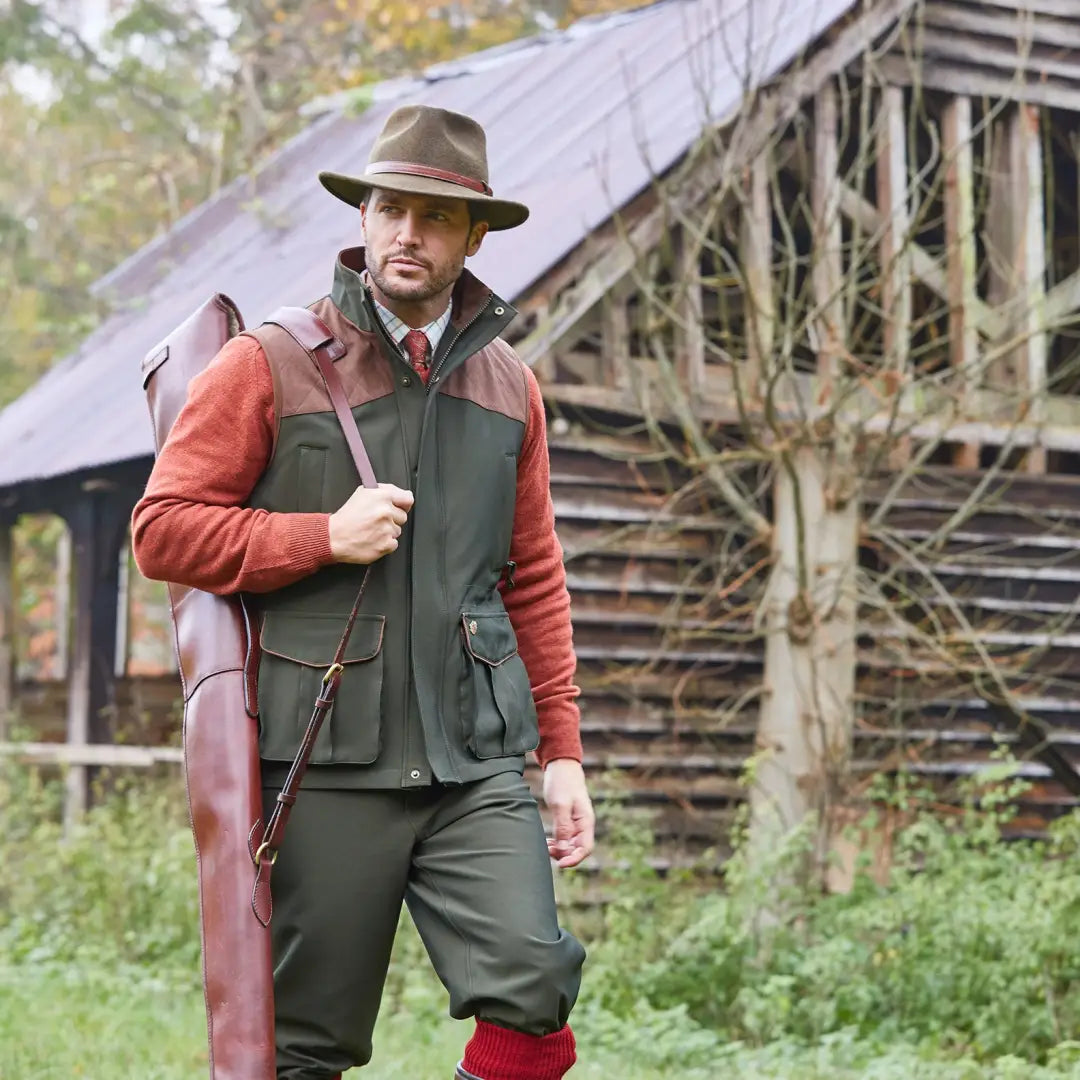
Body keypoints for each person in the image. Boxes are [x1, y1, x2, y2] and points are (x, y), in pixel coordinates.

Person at [132, 104, 593, 1080]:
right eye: (389, 208)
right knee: (306, 1050)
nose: (405, 234)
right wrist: (321, 537)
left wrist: (561, 753)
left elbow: (536, 577)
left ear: (474, 236)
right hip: (327, 760)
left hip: (473, 760)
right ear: (365, 217)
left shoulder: (511, 387)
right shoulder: (270, 362)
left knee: (535, 995)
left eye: (432, 217)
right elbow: (161, 530)